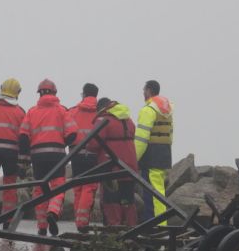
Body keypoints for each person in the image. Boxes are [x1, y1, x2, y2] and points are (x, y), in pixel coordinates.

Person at [19, 79, 78, 236]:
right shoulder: (62, 110)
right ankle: (52, 212)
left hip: (37, 156)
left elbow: (23, 136)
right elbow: (73, 133)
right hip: (57, 155)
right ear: (54, 93)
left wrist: (26, 156)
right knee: (58, 186)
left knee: (39, 189)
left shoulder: (31, 112)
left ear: (40, 94)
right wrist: (62, 143)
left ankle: (42, 226)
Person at [89, 98, 138, 226]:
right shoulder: (128, 119)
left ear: (100, 108)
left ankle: (114, 230)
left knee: (111, 199)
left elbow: (92, 143)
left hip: (111, 165)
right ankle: (131, 228)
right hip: (129, 165)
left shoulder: (103, 120)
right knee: (128, 199)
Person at [0, 78, 26, 229]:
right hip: (12, 153)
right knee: (10, 186)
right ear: (17, 93)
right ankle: (7, 219)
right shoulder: (20, 112)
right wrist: (23, 161)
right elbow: (24, 137)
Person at [134, 80, 173, 223]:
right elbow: (170, 134)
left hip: (150, 156)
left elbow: (141, 138)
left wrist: (134, 158)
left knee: (151, 193)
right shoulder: (167, 111)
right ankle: (162, 224)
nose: (143, 93)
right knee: (159, 191)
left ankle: (156, 225)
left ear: (149, 91)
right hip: (164, 154)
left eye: (144, 90)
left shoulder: (148, 110)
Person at [67, 83, 99, 233]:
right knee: (90, 187)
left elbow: (66, 131)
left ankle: (78, 221)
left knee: (78, 187)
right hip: (94, 155)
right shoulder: (101, 112)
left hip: (76, 154)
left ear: (84, 94)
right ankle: (83, 222)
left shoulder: (73, 111)